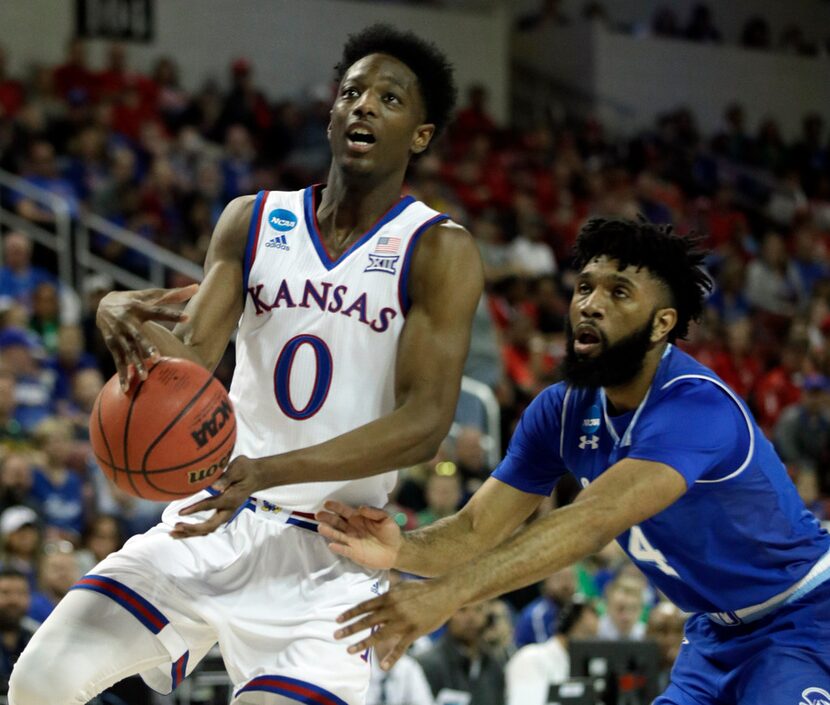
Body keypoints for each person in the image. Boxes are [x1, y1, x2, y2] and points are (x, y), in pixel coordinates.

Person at [9, 24, 482, 705]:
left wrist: (270, 469)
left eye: (389, 98)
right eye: (352, 92)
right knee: (38, 682)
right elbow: (193, 363)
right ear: (330, 115)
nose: (365, 106)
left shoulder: (437, 248)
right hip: (216, 521)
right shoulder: (253, 219)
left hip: (332, 557)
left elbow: (425, 423)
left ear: (420, 135)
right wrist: (121, 319)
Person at [321, 217, 830, 704]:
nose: (590, 304)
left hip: (804, 616)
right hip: (714, 632)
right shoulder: (560, 411)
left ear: (662, 324)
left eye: (619, 293)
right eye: (585, 287)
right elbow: (475, 529)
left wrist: (447, 595)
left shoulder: (696, 406)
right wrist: (402, 552)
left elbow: (591, 520)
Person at [505, 597, 599, 705]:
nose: (591, 644)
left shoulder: (585, 667)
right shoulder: (530, 658)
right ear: (572, 625)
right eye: (587, 635)